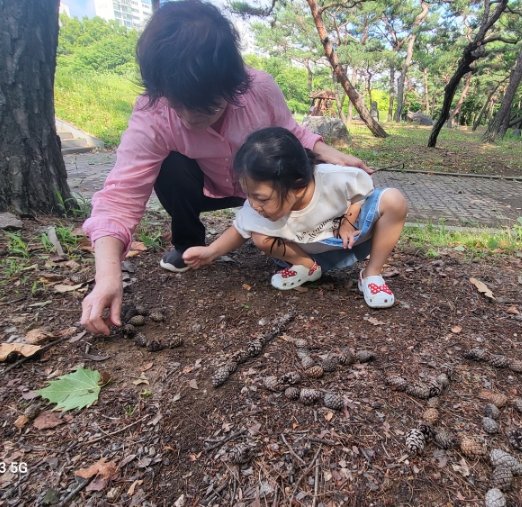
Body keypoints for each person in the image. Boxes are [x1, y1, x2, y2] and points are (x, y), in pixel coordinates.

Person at [80, 0, 369, 335]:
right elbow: (119, 197)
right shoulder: (152, 113)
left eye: (207, 106)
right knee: (169, 165)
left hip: (257, 188)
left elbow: (290, 131)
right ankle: (187, 244)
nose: (190, 118)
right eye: (179, 104)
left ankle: (287, 230)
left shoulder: (259, 88)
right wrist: (108, 276)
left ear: (232, 85)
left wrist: (329, 151)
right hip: (205, 188)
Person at [183, 127, 408, 309]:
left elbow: (362, 190)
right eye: (248, 195)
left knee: (394, 200)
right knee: (259, 235)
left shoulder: (333, 178)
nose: (254, 205)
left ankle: (371, 274)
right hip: (306, 245)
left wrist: (348, 221)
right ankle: (307, 266)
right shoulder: (259, 204)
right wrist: (210, 252)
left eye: (261, 198)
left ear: (298, 187)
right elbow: (239, 229)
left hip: (347, 237)